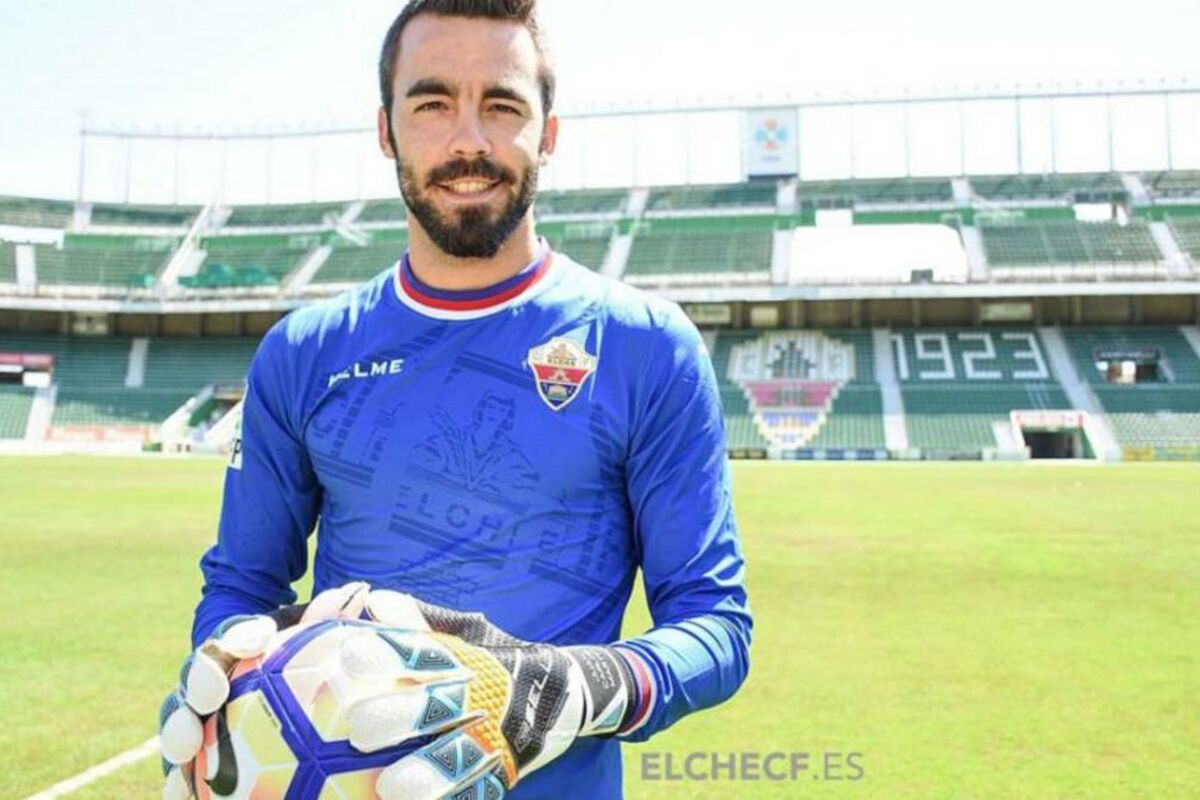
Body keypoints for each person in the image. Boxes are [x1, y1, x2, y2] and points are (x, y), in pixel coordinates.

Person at [175, 0, 751, 796]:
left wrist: (577, 687)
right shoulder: (303, 352)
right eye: (433, 103)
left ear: (549, 132)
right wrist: (226, 677)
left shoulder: (646, 346)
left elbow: (716, 626)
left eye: (503, 105)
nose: (469, 140)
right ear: (386, 130)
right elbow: (242, 586)